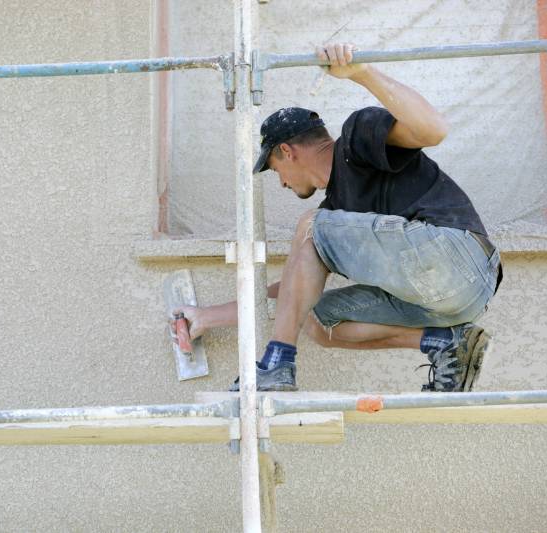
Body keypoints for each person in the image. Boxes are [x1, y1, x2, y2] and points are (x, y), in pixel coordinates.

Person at [175, 42, 502, 393]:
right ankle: (446, 342)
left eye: (275, 170)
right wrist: (207, 318)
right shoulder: (335, 219)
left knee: (310, 224)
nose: (283, 183)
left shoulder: (357, 138)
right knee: (319, 322)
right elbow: (293, 294)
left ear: (287, 151)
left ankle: (276, 363)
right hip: (453, 305)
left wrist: (361, 73)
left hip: (458, 256)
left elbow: (433, 129)